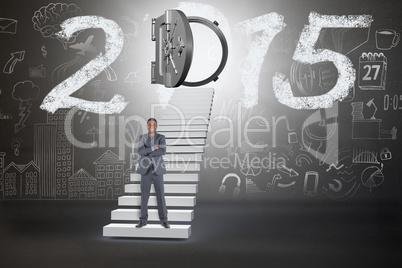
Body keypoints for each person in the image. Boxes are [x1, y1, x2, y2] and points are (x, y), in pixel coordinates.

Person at [135, 118, 170, 228]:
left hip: (157, 171)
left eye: (153, 125)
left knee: (160, 196)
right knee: (144, 197)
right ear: (147, 126)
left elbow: (163, 151)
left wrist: (147, 151)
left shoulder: (161, 137)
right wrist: (153, 148)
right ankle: (143, 220)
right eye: (149, 124)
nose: (151, 126)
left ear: (156, 126)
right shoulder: (142, 137)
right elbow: (140, 151)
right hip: (145, 171)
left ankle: (164, 220)